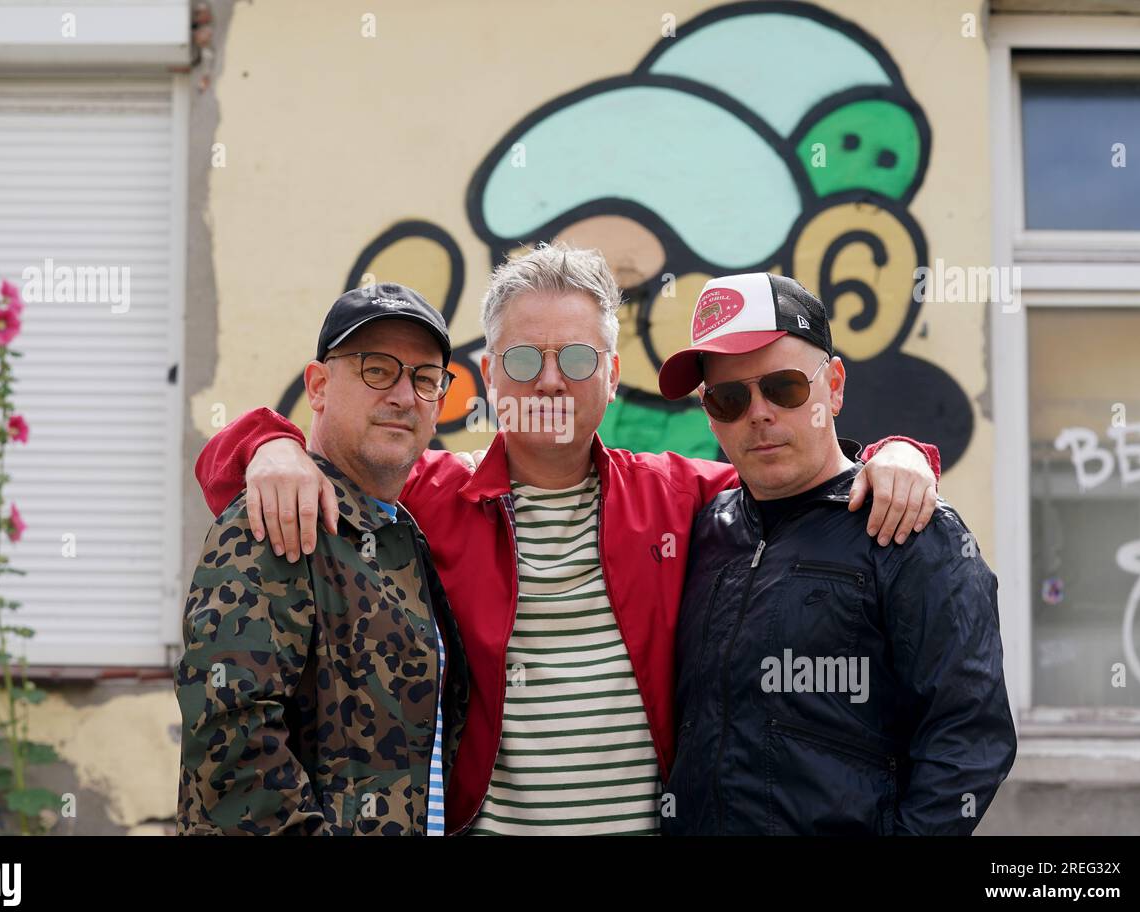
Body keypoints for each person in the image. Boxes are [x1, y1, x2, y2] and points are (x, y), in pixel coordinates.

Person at [194, 242, 942, 835]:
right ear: (491, 379)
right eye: (524, 360)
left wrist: (899, 455)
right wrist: (269, 445)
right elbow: (265, 477)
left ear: (612, 375)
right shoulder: (421, 497)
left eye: (577, 359)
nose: (550, 381)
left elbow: (802, 481)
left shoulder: (685, 498)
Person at [656, 272, 1016, 835]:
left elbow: (969, 739)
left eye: (784, 387)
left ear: (835, 386)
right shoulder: (701, 531)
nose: (759, 414)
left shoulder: (911, 531)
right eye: (729, 398)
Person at [174, 284, 468, 835]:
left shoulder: (401, 534)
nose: (404, 395)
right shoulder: (279, 516)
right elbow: (233, 747)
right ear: (319, 386)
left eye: (424, 378)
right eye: (377, 369)